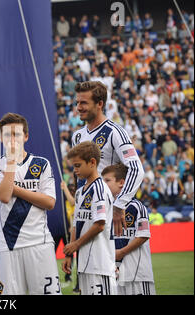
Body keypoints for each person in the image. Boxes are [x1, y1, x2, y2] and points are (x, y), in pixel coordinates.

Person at [0, 113, 60, 295]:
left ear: (26, 136)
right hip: (7, 246)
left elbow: (49, 202)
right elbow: (3, 196)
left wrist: (14, 189)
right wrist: (11, 162)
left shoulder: (41, 164)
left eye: (17, 134)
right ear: (0, 137)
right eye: (7, 134)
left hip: (39, 243)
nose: (12, 139)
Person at [71, 81, 144, 237]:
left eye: (84, 103)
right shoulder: (77, 136)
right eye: (77, 102)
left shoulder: (115, 132)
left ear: (100, 104)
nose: (78, 107)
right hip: (84, 213)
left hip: (107, 212)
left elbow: (136, 169)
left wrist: (119, 205)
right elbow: (77, 175)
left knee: (108, 260)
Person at [62, 141, 116, 295]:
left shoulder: (99, 189)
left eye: (78, 165)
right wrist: (68, 254)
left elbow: (99, 225)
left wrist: (76, 245)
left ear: (92, 162)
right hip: (84, 264)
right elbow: (76, 225)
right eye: (73, 166)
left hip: (100, 265)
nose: (75, 170)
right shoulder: (80, 192)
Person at [102, 163, 156, 295]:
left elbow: (143, 235)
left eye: (107, 180)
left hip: (138, 274)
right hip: (117, 274)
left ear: (121, 183)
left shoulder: (136, 207)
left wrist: (121, 252)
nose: (103, 184)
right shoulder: (106, 208)